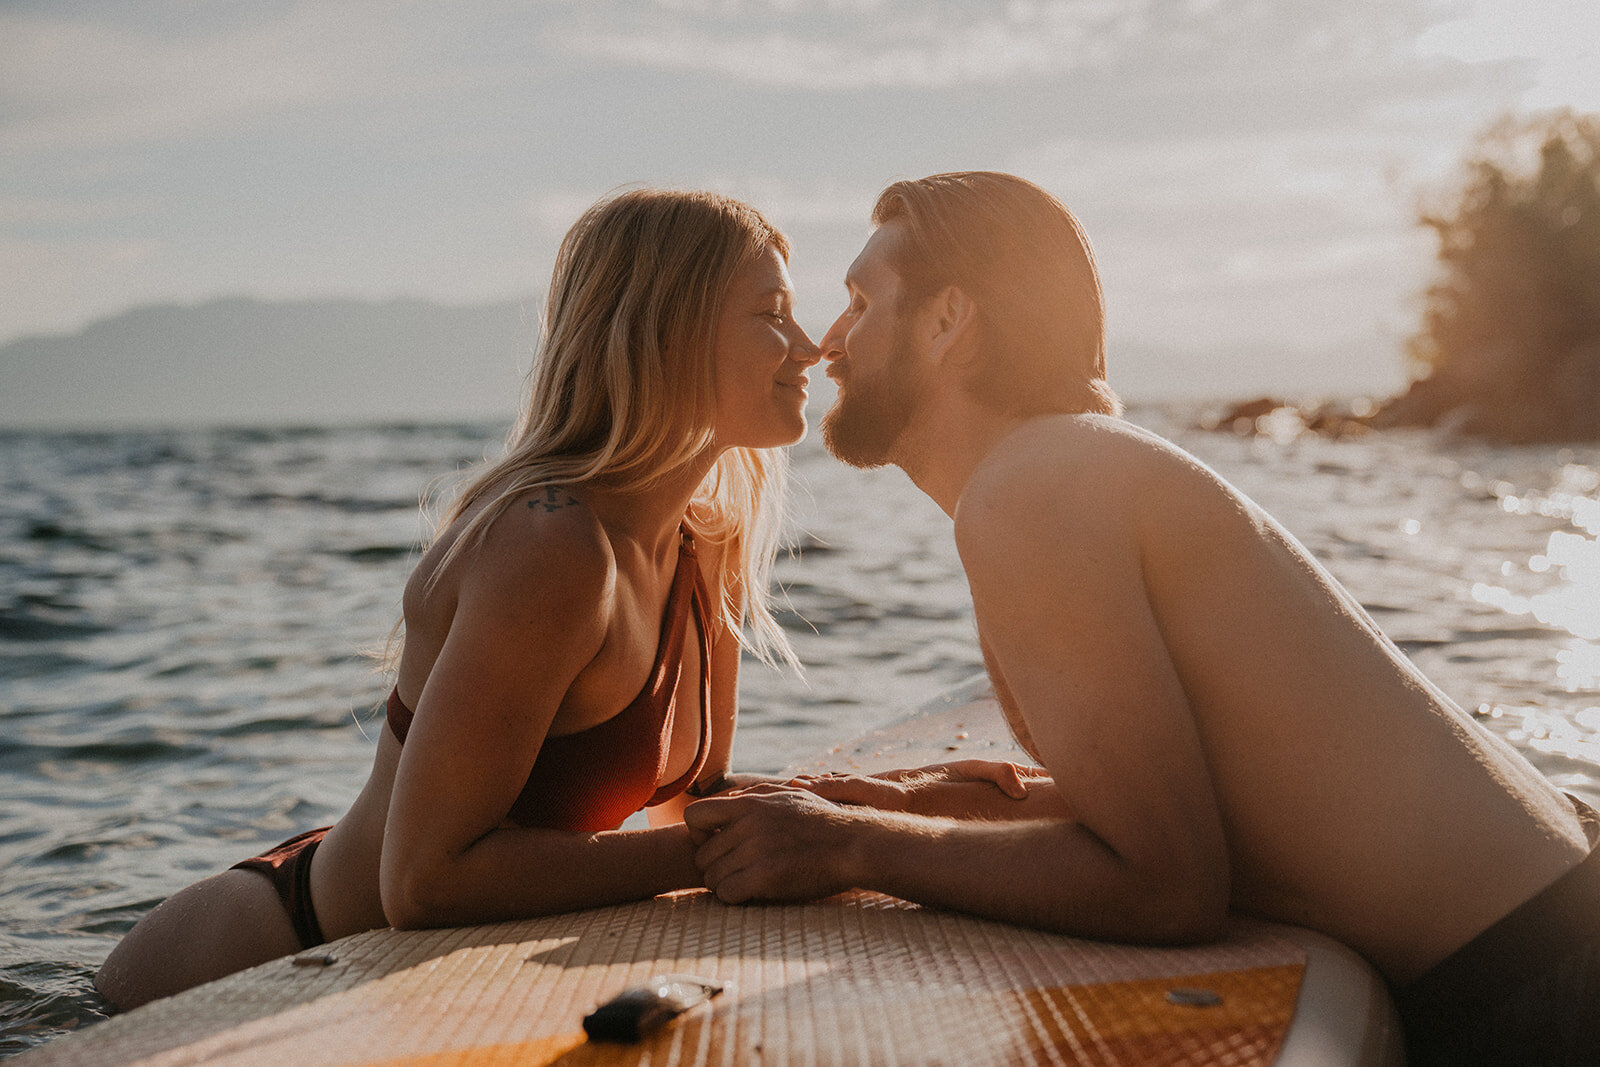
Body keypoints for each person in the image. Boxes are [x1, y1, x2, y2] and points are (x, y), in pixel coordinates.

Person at [682, 171, 1600, 1065]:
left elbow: (1165, 885)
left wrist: (849, 844)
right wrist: (922, 805)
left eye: (858, 300)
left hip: (1542, 989)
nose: (827, 342)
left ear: (949, 320)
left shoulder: (1030, 488)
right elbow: (1211, 800)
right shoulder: (1068, 467)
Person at [93, 188, 827, 1010]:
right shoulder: (554, 547)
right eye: (772, 314)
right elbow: (423, 882)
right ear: (668, 332)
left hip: (389, 982)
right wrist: (710, 855)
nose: (810, 347)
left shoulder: (704, 542)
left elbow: (693, 810)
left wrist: (892, 811)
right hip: (261, 963)